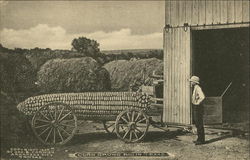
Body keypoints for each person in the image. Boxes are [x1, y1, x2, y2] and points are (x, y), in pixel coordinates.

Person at [190, 76, 205, 145]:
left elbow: (202, 97)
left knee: (199, 123)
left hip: (198, 107)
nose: (191, 82)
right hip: (196, 106)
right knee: (197, 123)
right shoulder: (195, 88)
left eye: (192, 81)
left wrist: (197, 103)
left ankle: (201, 140)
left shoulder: (198, 88)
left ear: (195, 82)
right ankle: (199, 139)